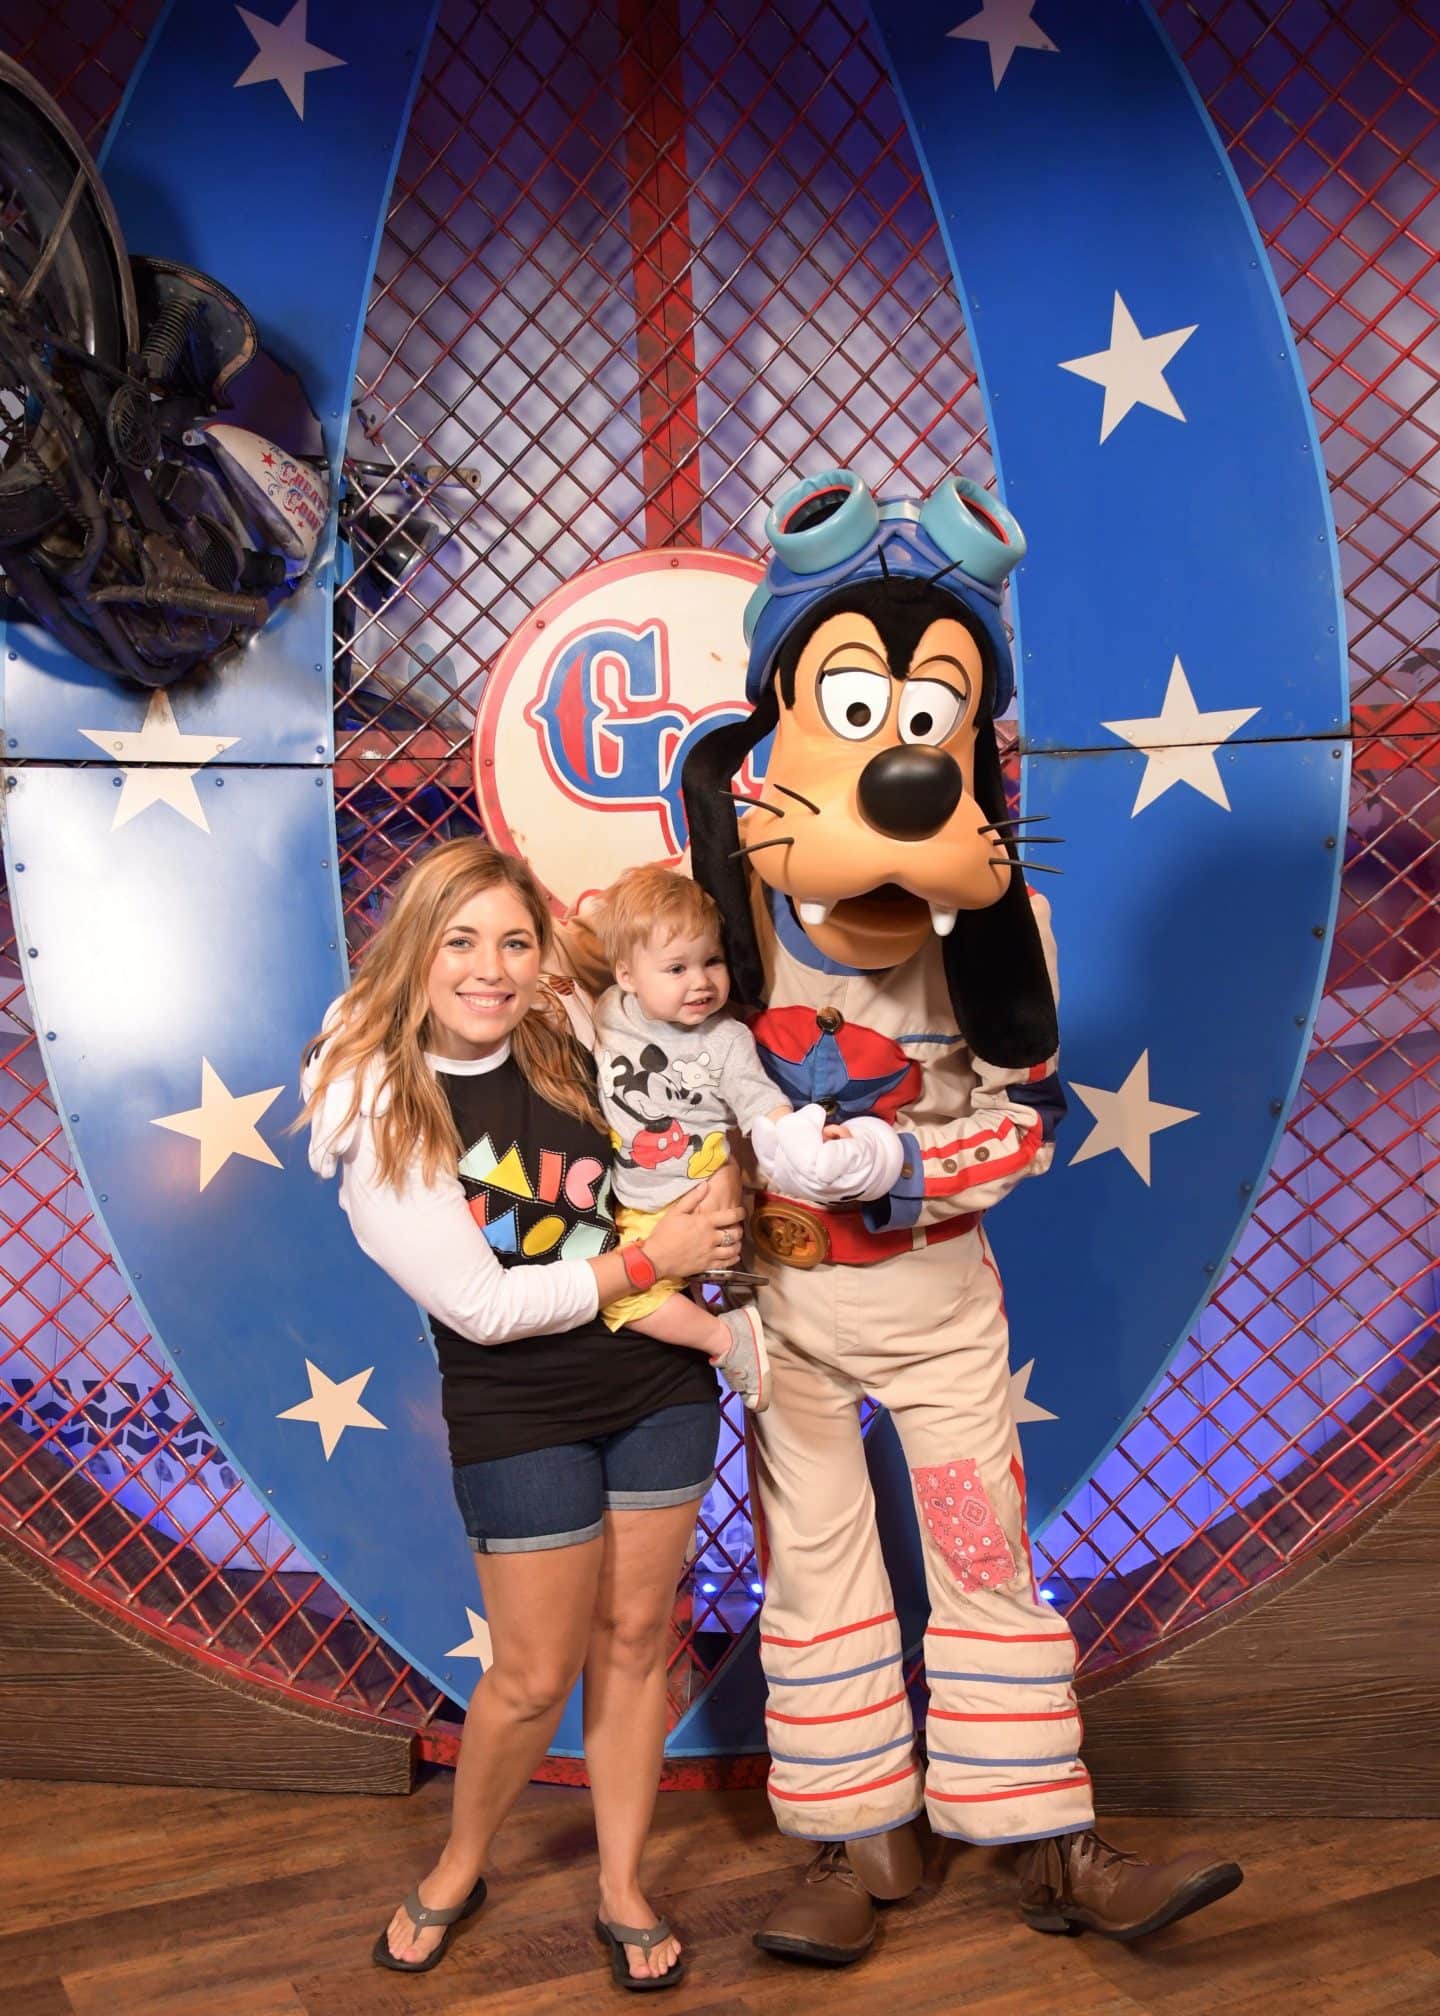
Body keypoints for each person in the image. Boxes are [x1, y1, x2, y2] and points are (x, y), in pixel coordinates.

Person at [299, 838, 744, 1988]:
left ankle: (622, 1883)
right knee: (533, 1676)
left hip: (658, 1394)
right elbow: (484, 1308)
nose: (489, 968)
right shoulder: (386, 1108)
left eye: (512, 941)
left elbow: (672, 1016)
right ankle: (460, 1864)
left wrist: (707, 1208)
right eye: (459, 942)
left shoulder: (567, 1036)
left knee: (638, 1646)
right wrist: (657, 1261)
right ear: (417, 953)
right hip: (521, 1412)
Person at [592, 863, 791, 1412]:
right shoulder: (609, 1010)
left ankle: (727, 1340)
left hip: (695, 1197)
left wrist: (799, 1138)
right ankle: (736, 1328)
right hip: (637, 1202)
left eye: (712, 961)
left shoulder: (726, 1039)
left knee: (622, 1301)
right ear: (627, 975)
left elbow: (759, 1103)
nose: (700, 982)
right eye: (676, 968)